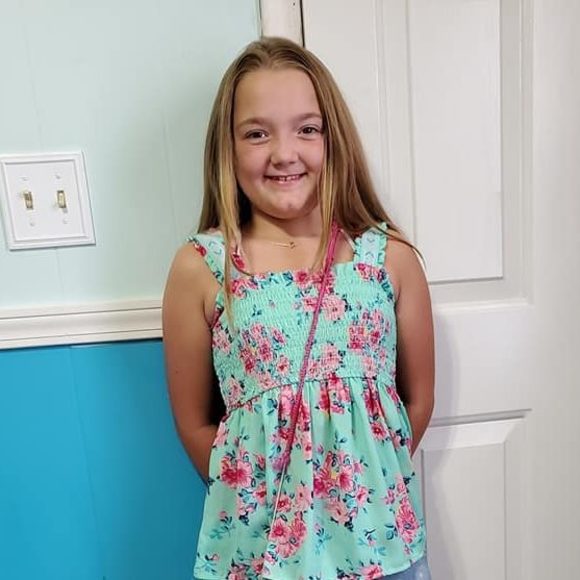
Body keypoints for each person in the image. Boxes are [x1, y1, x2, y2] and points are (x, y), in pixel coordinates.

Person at [163, 36, 434, 580]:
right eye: (257, 133)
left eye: (307, 129)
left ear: (333, 138)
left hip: (380, 544)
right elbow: (195, 423)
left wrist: (366, 480)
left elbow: (417, 401)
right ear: (227, 148)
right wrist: (260, 495)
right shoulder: (203, 267)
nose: (284, 153)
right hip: (260, 553)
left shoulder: (389, 258)